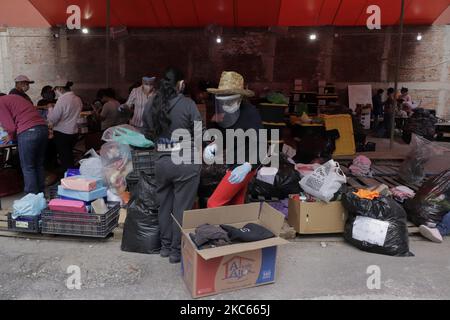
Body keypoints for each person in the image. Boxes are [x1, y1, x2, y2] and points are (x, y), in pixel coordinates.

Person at [143, 67, 202, 264]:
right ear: (180, 84)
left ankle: (165, 247)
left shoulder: (152, 103)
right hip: (185, 162)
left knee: (164, 207)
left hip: (161, 161)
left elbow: (146, 133)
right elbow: (200, 134)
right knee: (181, 208)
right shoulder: (188, 104)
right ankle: (176, 251)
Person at [205, 71, 263, 208]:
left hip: (245, 164)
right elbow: (228, 136)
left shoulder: (250, 113)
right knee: (236, 205)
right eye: (222, 100)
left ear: (239, 98)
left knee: (213, 203)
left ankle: (215, 230)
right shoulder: (227, 114)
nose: (225, 105)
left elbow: (261, 144)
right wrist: (214, 145)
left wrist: (247, 166)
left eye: (229, 100)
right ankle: (236, 229)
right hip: (234, 162)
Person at [0, 95, 48, 194]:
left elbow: (10, 127)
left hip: (27, 131)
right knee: (38, 164)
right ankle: (40, 195)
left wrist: (10, 137)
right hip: (42, 128)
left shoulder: (1, 102)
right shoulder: (14, 98)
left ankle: (31, 197)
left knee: (28, 167)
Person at [47, 82, 82, 174]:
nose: (55, 93)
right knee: (69, 156)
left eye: (55, 90)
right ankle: (73, 177)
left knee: (65, 159)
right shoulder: (78, 99)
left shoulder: (62, 100)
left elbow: (53, 119)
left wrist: (50, 108)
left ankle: (71, 180)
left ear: (60, 89)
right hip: (74, 132)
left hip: (62, 133)